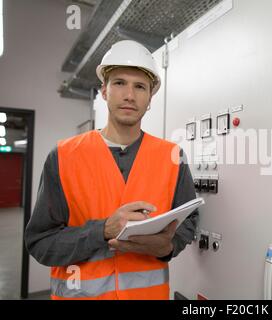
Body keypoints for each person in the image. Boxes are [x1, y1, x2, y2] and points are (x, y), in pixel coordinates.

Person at [25, 40, 199, 300]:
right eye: (119, 83)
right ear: (104, 91)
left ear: (150, 97)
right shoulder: (63, 156)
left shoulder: (173, 156)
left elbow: (189, 222)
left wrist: (168, 245)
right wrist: (102, 230)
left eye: (140, 86)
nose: (129, 95)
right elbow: (40, 243)